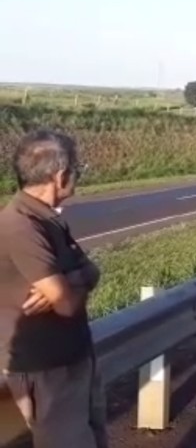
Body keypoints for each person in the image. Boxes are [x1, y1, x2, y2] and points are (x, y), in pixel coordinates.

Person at [0, 129, 107, 448]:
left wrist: (73, 279)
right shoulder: (21, 226)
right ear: (61, 176)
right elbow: (67, 305)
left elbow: (91, 270)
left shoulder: (48, 219)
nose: (77, 176)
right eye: (77, 170)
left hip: (70, 361)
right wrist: (75, 280)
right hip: (45, 370)